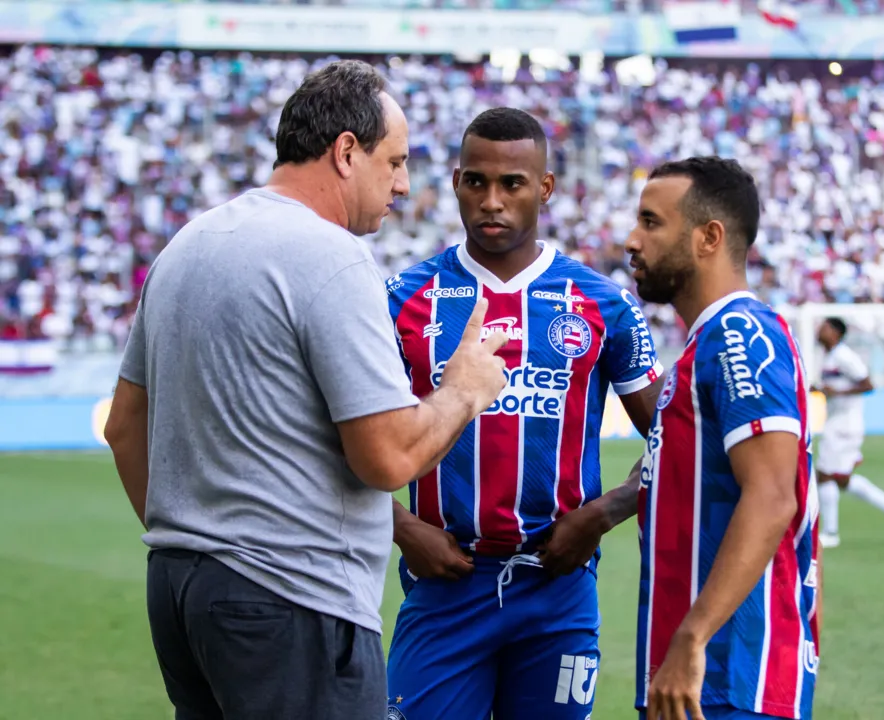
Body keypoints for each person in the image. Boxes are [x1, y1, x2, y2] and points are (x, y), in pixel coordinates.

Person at [102, 60, 509, 720]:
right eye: (395, 162)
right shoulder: (329, 255)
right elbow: (388, 457)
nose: (404, 185)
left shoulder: (187, 243)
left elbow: (123, 428)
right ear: (347, 151)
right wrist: (464, 389)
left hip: (180, 588)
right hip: (290, 597)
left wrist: (198, 537)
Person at [384, 107, 664, 720]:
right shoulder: (403, 299)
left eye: (511, 184)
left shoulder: (601, 304)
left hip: (557, 587)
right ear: (456, 182)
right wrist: (401, 529)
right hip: (445, 584)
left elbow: (676, 436)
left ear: (544, 188)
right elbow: (338, 438)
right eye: (475, 182)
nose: (491, 201)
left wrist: (605, 512)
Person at [626, 157, 820, 720]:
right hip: (699, 677)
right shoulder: (704, 344)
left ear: (709, 237)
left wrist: (691, 639)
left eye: (652, 222)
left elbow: (772, 495)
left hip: (730, 675)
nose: (632, 240)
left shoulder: (739, 333)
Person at [812, 317, 884, 549]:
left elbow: (868, 384)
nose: (819, 330)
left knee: (824, 475)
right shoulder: (830, 357)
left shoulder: (844, 356)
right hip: (839, 421)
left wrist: (837, 393)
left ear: (835, 333)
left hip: (844, 424)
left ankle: (831, 533)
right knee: (842, 480)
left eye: (824, 327)